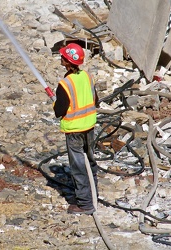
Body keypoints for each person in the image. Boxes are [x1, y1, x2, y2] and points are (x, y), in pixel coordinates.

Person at [53, 43, 99, 215]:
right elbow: (96, 100)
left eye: (63, 56)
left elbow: (59, 111)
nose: (61, 57)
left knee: (78, 166)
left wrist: (56, 103)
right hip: (89, 127)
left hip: (74, 131)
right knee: (90, 161)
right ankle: (94, 195)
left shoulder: (65, 84)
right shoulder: (86, 76)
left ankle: (85, 204)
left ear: (67, 61)